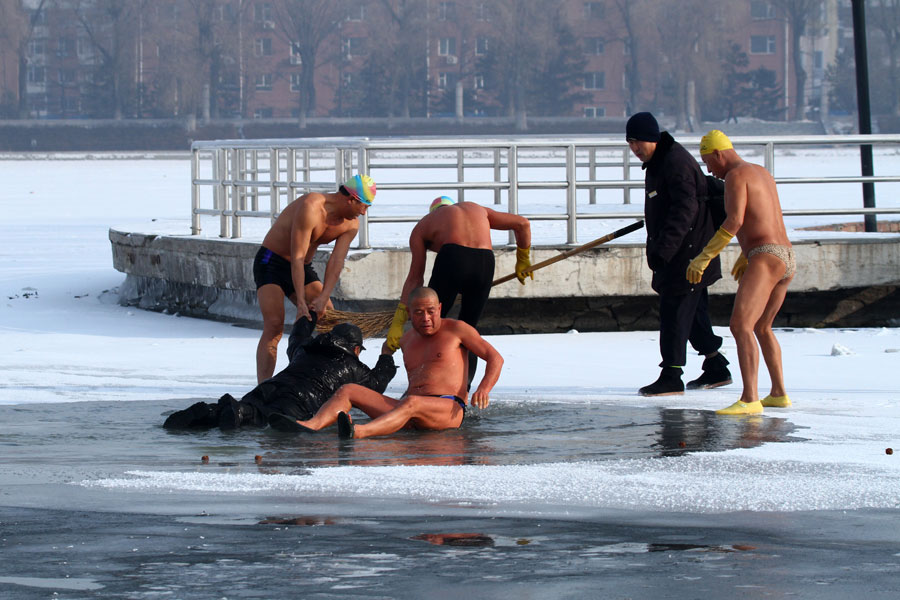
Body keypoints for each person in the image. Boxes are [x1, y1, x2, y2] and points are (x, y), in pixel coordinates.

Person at [269, 286, 503, 440]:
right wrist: (385, 353)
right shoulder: (407, 339)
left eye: (431, 311)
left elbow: (495, 357)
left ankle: (357, 432)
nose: (426, 318)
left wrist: (484, 388)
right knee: (349, 390)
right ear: (409, 314)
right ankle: (311, 425)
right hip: (409, 412)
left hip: (447, 410)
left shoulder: (457, 329)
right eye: (419, 313)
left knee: (412, 402)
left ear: (440, 308)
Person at [688, 130, 794, 415]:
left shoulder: (736, 175)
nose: (710, 170)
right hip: (785, 256)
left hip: (766, 256)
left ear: (719, 154)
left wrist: (704, 256)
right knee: (762, 327)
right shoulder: (761, 171)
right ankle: (779, 393)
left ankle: (749, 399)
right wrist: (746, 255)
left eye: (708, 162)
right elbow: (763, 217)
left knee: (740, 326)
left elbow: (734, 221)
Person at [625, 111, 732, 396]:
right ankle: (716, 366)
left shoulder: (674, 163)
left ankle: (671, 374)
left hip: (687, 253)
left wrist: (664, 250)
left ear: (653, 138)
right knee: (693, 312)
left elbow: (685, 211)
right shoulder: (661, 161)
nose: (635, 149)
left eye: (639, 143)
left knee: (674, 311)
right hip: (685, 250)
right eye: (630, 144)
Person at [385, 196, 530, 384]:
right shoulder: (477, 209)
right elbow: (523, 224)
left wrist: (399, 320)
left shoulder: (424, 225)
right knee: (468, 331)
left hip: (452, 259)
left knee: (428, 325)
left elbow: (415, 277)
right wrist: (523, 258)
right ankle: (463, 391)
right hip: (485, 262)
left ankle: (425, 385)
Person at [163, 315, 396, 430]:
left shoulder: (305, 349)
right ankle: (239, 413)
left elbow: (296, 337)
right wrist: (386, 355)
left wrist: (309, 316)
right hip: (297, 402)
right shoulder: (354, 367)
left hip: (268, 387)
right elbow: (376, 385)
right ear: (356, 349)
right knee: (267, 423)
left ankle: (226, 410)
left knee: (252, 411)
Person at [254, 174, 375, 383]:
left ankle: (320, 378)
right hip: (271, 262)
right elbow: (297, 256)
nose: (364, 213)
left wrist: (322, 297)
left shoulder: (350, 225)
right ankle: (262, 386)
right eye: (364, 206)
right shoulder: (312, 206)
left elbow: (336, 262)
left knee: (329, 317)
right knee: (274, 326)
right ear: (351, 199)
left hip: (302, 266)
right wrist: (301, 301)